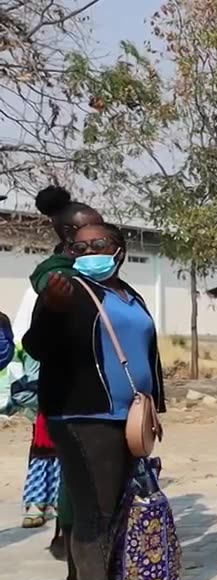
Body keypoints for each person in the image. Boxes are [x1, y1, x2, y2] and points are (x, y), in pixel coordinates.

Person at [24, 221, 167, 580]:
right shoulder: (67, 293)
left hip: (128, 417)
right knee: (94, 510)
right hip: (85, 416)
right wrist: (51, 307)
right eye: (79, 246)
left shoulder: (128, 294)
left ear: (119, 249)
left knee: (115, 506)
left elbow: (145, 349)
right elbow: (37, 345)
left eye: (99, 244)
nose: (89, 252)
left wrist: (155, 402)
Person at [17, 186, 102, 531]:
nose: (101, 237)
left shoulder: (95, 276)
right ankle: (70, 547)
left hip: (104, 398)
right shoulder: (58, 282)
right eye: (92, 229)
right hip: (71, 397)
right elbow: (36, 341)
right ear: (70, 235)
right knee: (77, 478)